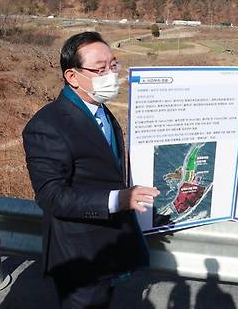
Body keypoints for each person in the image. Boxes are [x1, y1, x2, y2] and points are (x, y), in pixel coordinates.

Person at [23, 31, 159, 308]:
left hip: (107, 247)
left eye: (113, 65)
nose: (111, 74)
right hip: (79, 255)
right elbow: (52, 196)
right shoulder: (47, 126)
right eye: (100, 69)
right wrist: (117, 199)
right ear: (72, 77)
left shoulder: (101, 110)